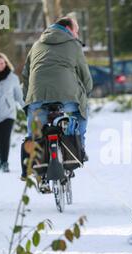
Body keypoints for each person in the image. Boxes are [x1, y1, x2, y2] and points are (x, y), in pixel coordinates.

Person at [21, 16, 93, 179]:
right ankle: (79, 147)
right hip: (67, 99)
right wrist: (86, 93)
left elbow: (25, 74)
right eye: (76, 30)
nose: (77, 34)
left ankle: (31, 165)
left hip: (37, 98)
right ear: (68, 29)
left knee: (33, 132)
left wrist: (28, 98)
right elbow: (84, 74)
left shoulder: (36, 45)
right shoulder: (74, 45)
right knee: (81, 113)